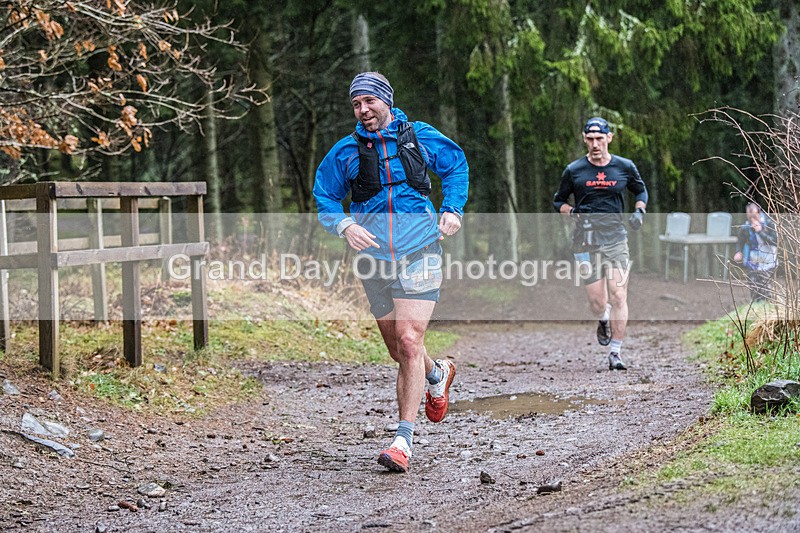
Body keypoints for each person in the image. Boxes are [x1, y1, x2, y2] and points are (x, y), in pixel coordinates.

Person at [313, 72, 469, 473]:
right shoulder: (346, 152)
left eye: (369, 101)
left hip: (420, 250)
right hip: (374, 260)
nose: (363, 110)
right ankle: (438, 373)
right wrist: (345, 225)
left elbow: (455, 167)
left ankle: (403, 440)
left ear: (386, 100)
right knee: (398, 350)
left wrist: (452, 208)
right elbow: (325, 195)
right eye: (355, 104)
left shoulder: (418, 137)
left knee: (409, 339)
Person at [553, 117, 648, 371]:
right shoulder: (574, 170)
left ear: (609, 138)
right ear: (585, 139)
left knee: (619, 295)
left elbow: (640, 191)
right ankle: (603, 318)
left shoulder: (624, 167)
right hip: (585, 240)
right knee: (597, 301)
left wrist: (639, 211)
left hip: (616, 239)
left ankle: (616, 353)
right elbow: (558, 201)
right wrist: (572, 213)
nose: (595, 144)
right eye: (590, 139)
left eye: (599, 138)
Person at [733, 202, 777, 302]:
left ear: (759, 212)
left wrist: (760, 231)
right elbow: (740, 240)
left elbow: (775, 241)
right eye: (749, 216)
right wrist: (738, 251)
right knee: (753, 285)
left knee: (765, 287)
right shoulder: (746, 226)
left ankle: (766, 306)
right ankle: (756, 305)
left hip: (768, 260)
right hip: (752, 260)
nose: (752, 218)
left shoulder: (769, 223)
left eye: (754, 215)